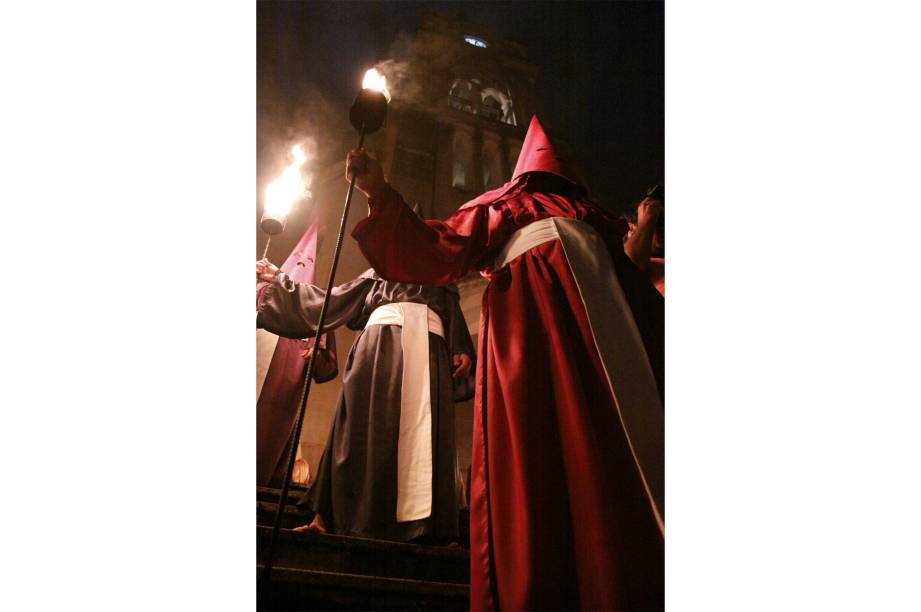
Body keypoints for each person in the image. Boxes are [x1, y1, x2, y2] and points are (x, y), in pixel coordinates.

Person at [344, 116, 664, 610]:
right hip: (553, 331)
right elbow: (439, 248)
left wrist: (381, 192)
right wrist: (380, 191)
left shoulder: (547, 211)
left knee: (570, 448)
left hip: (574, 332)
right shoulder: (555, 211)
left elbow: (438, 248)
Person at [256, 261, 475, 544]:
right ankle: (326, 518)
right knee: (355, 428)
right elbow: (331, 300)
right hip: (377, 349)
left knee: (427, 433)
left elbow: (453, 316)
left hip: (428, 351)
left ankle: (432, 528)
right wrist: (281, 281)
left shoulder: (440, 276)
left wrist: (459, 347)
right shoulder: (378, 272)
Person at [624, 190, 665, 296]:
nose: (662, 229)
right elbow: (629, 267)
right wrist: (648, 218)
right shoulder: (643, 265)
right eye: (658, 222)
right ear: (632, 229)